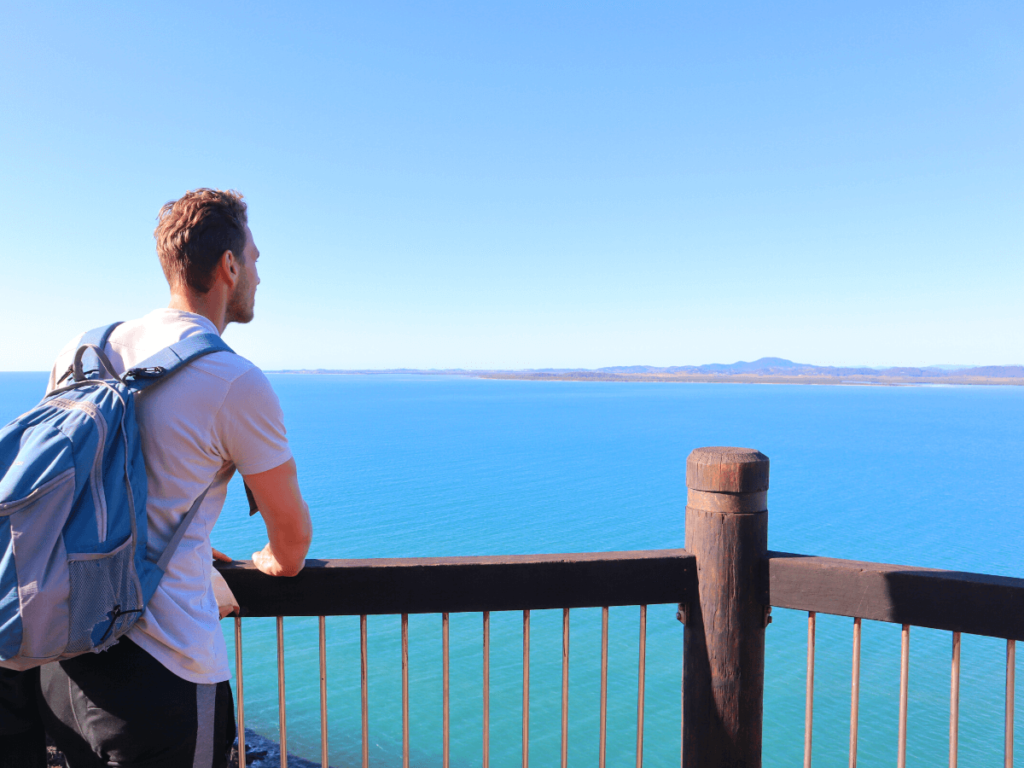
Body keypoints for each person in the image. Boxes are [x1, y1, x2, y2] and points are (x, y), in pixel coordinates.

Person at [28, 188, 313, 767]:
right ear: (229, 266)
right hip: (164, 676)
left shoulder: (83, 352)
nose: (258, 274)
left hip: (62, 657)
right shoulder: (233, 381)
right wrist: (268, 562)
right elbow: (292, 543)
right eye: (254, 259)